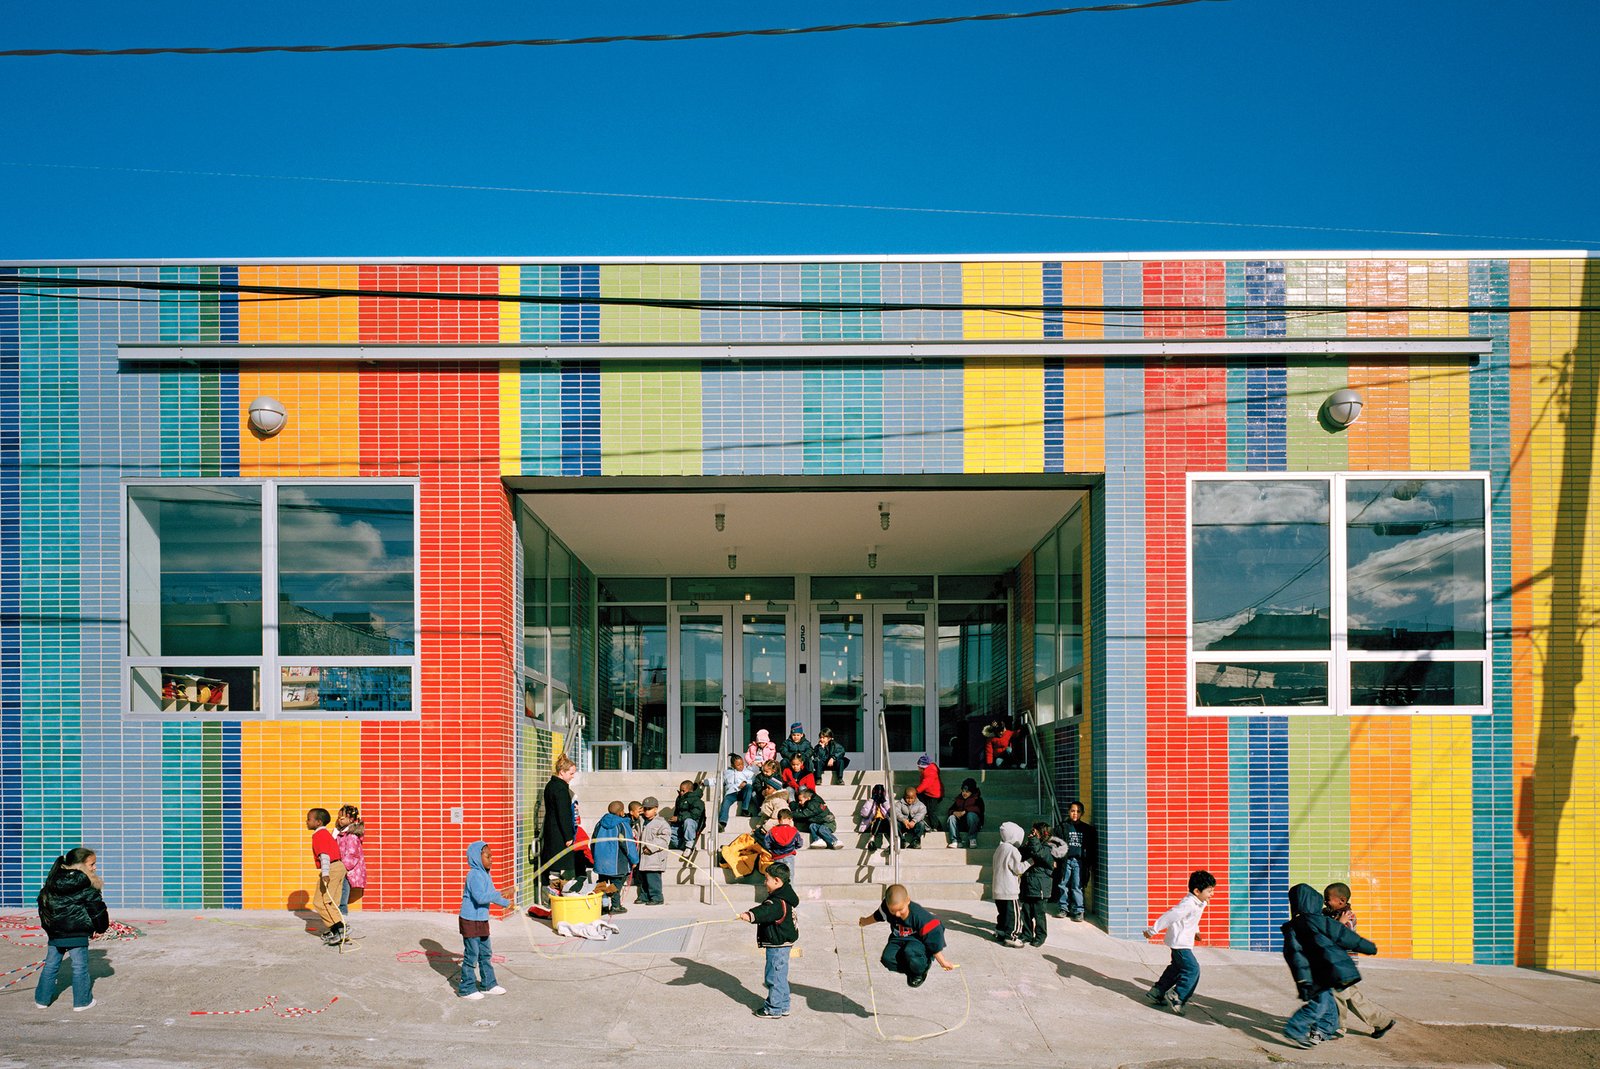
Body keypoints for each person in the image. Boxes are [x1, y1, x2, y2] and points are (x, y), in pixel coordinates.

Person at [33, 847, 109, 1010]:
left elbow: (43, 905)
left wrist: (50, 928)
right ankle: (82, 1002)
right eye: (92, 864)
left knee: (51, 965)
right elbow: (97, 909)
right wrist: (100, 928)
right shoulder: (87, 884)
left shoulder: (52, 881)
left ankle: (41, 1000)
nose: (95, 868)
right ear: (79, 865)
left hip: (56, 933)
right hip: (77, 931)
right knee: (79, 966)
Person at [1322, 883, 1396, 1039]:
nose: (1325, 902)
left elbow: (1339, 938)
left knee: (1338, 996)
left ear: (1341, 901)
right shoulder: (1334, 915)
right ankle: (1382, 1022)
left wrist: (1339, 924)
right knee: (1353, 997)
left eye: (1328, 899)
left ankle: (1338, 1028)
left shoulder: (1347, 918)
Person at [1143, 869, 1217, 1016]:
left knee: (1176, 969)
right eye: (1209, 891)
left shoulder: (1199, 902)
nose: (1212, 894)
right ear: (1197, 891)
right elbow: (1170, 916)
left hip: (1183, 941)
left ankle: (1157, 992)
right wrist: (1153, 930)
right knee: (1192, 969)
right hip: (1180, 943)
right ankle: (1177, 996)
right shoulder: (1188, 903)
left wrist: (1196, 931)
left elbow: (1192, 919)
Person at [858, 884, 956, 987]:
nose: (897, 914)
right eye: (893, 911)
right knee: (887, 959)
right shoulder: (885, 908)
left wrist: (942, 962)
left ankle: (921, 968)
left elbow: (932, 937)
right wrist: (864, 921)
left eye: (901, 910)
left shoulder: (919, 916)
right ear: (887, 905)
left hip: (917, 939)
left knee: (910, 952)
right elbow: (877, 916)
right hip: (898, 937)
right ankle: (913, 969)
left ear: (907, 900)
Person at [737, 861, 798, 1018]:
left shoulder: (776, 902)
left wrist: (749, 915)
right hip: (783, 943)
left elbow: (765, 912)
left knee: (774, 976)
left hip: (777, 944)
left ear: (777, 881)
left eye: (767, 879)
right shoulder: (786, 894)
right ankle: (783, 1005)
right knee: (780, 975)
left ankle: (773, 1008)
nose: (765, 883)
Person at [457, 840, 510, 1000]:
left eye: (491, 856)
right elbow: (480, 898)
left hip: (481, 920)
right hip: (470, 920)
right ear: (477, 858)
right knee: (472, 955)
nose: (491, 859)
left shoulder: (486, 874)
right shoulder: (474, 875)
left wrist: (508, 903)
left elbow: (493, 894)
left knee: (485, 953)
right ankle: (466, 988)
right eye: (488, 856)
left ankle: (489, 984)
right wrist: (503, 893)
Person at [305, 807, 347, 946]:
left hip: (332, 869)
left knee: (321, 902)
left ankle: (339, 928)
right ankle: (338, 930)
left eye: (309, 819)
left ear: (318, 822)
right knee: (331, 902)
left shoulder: (319, 835)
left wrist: (325, 873)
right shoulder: (325, 834)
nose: (306, 821)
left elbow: (324, 855)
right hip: (339, 867)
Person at [1050, 800, 1096, 920]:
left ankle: (1078, 910)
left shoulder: (1087, 829)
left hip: (1079, 862)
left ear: (1082, 813)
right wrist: (1055, 858)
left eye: (1078, 811)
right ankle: (1063, 908)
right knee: (1063, 884)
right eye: (1072, 811)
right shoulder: (1062, 827)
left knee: (1077, 885)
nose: (1075, 814)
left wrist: (1090, 862)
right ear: (1069, 812)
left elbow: (1091, 848)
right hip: (1065, 861)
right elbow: (1054, 843)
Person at [591, 801, 639, 915]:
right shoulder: (622, 825)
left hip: (601, 861)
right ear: (621, 812)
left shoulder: (600, 823)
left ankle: (603, 906)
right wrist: (634, 859)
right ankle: (616, 906)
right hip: (616, 861)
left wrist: (595, 856)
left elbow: (593, 841)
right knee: (616, 883)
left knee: (602, 883)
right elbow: (626, 844)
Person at [540, 754, 579, 885]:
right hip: (559, 834)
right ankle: (558, 890)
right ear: (562, 772)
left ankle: (552, 887)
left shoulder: (551, 785)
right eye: (571, 773)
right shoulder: (561, 789)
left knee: (553, 864)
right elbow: (564, 814)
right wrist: (568, 835)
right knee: (560, 865)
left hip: (552, 830)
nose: (573, 776)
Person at [990, 822, 1027, 947]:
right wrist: (1030, 862)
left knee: (1003, 913)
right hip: (1009, 890)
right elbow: (1018, 869)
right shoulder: (1012, 850)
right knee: (1013, 915)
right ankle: (1012, 936)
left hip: (998, 889)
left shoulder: (999, 848)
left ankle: (1000, 931)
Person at [1019, 822, 1055, 947]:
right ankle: (1027, 934)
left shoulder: (1048, 848)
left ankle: (1040, 936)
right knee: (1026, 913)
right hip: (1028, 885)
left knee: (1039, 915)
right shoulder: (1032, 845)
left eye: (1035, 832)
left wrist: (1034, 841)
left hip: (1040, 888)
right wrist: (1028, 843)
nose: (1032, 834)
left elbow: (1039, 854)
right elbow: (1021, 854)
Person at [635, 797, 672, 906]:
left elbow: (664, 839)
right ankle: (644, 896)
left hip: (654, 857)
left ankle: (657, 897)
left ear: (656, 809)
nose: (646, 811)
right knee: (643, 878)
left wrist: (651, 847)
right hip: (642, 857)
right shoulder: (640, 821)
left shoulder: (661, 823)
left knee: (653, 878)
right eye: (645, 809)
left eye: (649, 809)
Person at [335, 804, 366, 926]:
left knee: (343, 887)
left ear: (351, 820)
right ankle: (340, 908)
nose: (339, 820)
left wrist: (343, 866)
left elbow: (353, 854)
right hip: (342, 865)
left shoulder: (352, 836)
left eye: (342, 818)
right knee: (339, 887)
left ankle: (342, 909)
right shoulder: (342, 834)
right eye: (339, 818)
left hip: (348, 868)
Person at [719, 754, 757, 833]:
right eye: (738, 765)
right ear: (732, 765)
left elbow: (754, 780)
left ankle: (744, 809)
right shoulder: (727, 773)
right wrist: (705, 782)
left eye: (742, 764)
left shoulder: (748, 772)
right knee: (725, 801)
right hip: (732, 793)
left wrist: (746, 782)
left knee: (749, 787)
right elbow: (718, 781)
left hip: (743, 792)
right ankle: (722, 823)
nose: (741, 766)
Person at [944, 778, 985, 849]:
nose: (964, 793)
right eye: (963, 791)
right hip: (962, 823)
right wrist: (954, 812)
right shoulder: (959, 799)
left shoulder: (977, 799)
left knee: (971, 815)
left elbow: (979, 810)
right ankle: (956, 841)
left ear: (972, 791)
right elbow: (950, 810)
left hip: (973, 824)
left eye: (967, 791)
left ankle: (972, 839)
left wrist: (965, 811)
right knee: (951, 817)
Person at [670, 779, 705, 851]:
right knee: (667, 830)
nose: (681, 793)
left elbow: (694, 815)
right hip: (680, 824)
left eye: (683, 791)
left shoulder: (697, 800)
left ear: (690, 791)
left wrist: (678, 818)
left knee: (688, 822)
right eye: (680, 790)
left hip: (693, 825)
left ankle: (689, 845)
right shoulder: (679, 799)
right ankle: (682, 845)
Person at [857, 784, 891, 851]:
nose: (879, 793)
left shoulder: (886, 801)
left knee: (884, 821)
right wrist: (871, 800)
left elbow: (891, 812)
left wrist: (884, 802)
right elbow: (864, 814)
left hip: (884, 824)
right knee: (878, 819)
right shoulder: (870, 801)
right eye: (877, 791)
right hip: (871, 824)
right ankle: (871, 840)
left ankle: (891, 843)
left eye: (880, 791)